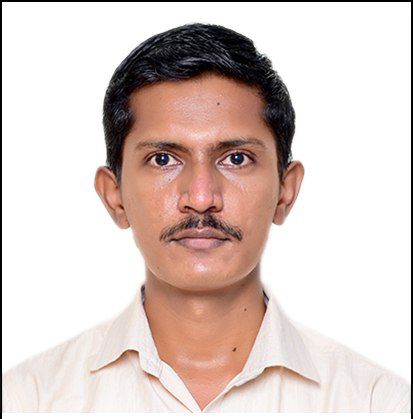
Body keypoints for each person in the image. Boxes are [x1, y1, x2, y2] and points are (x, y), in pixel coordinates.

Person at [2, 22, 410, 413]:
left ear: (286, 190)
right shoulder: (27, 400)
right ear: (115, 196)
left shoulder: (377, 404)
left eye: (236, 158)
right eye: (163, 159)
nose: (200, 198)